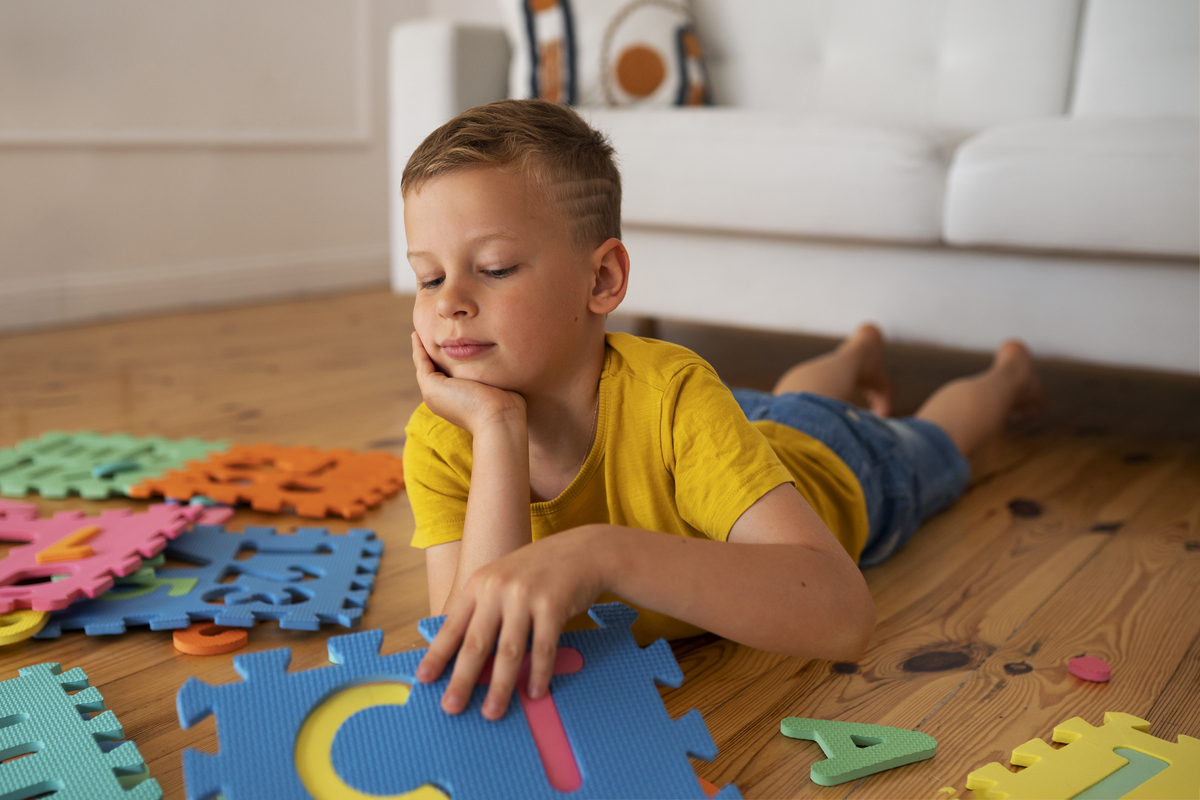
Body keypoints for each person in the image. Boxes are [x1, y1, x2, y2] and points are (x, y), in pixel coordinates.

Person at [401, 99, 1042, 722]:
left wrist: (600, 554)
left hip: (841, 459)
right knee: (790, 399)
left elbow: (843, 615)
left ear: (602, 281)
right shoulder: (444, 436)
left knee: (932, 436)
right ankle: (856, 350)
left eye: (493, 267)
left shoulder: (676, 394)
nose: (449, 301)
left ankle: (1008, 370)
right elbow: (470, 650)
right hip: (740, 429)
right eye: (429, 278)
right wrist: (496, 429)